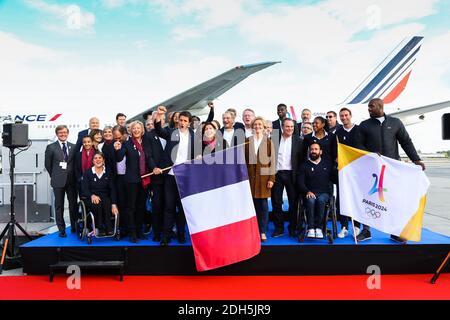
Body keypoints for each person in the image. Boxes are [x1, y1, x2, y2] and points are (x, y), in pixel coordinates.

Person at [355, 98, 425, 242]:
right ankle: (366, 230)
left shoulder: (395, 123)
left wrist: (416, 159)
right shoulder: (364, 125)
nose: (369, 109)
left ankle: (395, 231)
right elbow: (358, 145)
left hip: (392, 170)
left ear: (380, 106)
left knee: (393, 200)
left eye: (371, 107)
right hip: (371, 170)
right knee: (368, 199)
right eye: (368, 107)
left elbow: (406, 141)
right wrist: (370, 154)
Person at [154, 106, 201, 246]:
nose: (182, 122)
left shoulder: (194, 135)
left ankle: (181, 234)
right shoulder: (171, 131)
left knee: (182, 207)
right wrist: (158, 116)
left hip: (186, 176)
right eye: (180, 120)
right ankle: (166, 236)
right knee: (168, 206)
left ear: (189, 122)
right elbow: (159, 130)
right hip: (170, 174)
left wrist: (198, 155)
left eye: (185, 120)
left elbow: (197, 152)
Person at [114, 121, 151, 243]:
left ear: (142, 130)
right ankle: (132, 232)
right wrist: (117, 149)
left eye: (138, 128)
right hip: (131, 180)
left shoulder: (145, 142)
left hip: (144, 179)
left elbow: (149, 158)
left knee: (141, 206)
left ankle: (139, 231)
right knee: (131, 207)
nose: (136, 130)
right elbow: (119, 158)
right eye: (134, 128)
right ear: (131, 130)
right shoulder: (127, 143)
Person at [271, 119, 304, 238]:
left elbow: (301, 161)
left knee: (293, 202)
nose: (290, 128)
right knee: (276, 202)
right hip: (277, 174)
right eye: (287, 126)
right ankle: (279, 228)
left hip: (292, 175)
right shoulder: (274, 139)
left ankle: (293, 227)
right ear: (282, 127)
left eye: (292, 127)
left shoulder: (299, 141)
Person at [245, 117, 276, 242]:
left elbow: (272, 162)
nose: (257, 126)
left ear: (263, 127)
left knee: (263, 206)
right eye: (255, 124)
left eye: (260, 124)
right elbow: (243, 161)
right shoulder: (247, 141)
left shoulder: (269, 142)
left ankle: (262, 231)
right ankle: (252, 231)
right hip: (250, 179)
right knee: (251, 206)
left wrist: (271, 179)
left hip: (264, 180)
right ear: (252, 127)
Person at [44, 125, 77, 237]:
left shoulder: (74, 146)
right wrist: (55, 175)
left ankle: (74, 227)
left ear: (67, 133)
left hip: (72, 181)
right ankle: (61, 229)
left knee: (73, 205)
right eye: (60, 132)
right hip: (58, 181)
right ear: (57, 134)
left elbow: (75, 163)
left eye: (64, 132)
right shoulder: (51, 147)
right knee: (59, 205)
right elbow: (48, 165)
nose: (63, 134)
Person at [297, 142, 333, 239]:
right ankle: (311, 228)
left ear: (320, 152)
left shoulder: (327, 164)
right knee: (311, 200)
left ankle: (319, 228)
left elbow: (333, 178)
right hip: (309, 192)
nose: (313, 151)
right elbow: (300, 182)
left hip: (324, 193)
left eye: (316, 149)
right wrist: (307, 191)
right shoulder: (304, 165)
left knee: (321, 200)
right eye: (312, 149)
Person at [334, 108, 359, 238]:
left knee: (356, 197)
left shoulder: (359, 130)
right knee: (342, 198)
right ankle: (344, 226)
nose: (344, 118)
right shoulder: (337, 133)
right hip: (343, 171)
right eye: (341, 116)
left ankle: (357, 226)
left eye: (346, 115)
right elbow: (334, 152)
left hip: (357, 172)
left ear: (350, 115)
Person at [81, 152, 119, 236]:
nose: (98, 160)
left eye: (100, 158)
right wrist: (92, 195)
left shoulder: (108, 173)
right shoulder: (88, 173)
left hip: (105, 198)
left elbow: (112, 189)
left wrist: (114, 204)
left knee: (106, 202)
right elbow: (84, 189)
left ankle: (109, 228)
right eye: (95, 158)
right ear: (93, 161)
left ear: (103, 160)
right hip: (91, 198)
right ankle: (100, 228)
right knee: (97, 203)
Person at [144, 113, 167, 242]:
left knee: (169, 205)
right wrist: (153, 168)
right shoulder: (148, 135)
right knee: (157, 205)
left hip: (170, 176)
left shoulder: (171, 133)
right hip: (157, 176)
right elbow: (148, 155)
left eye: (160, 119)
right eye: (155, 120)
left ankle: (167, 231)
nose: (157, 122)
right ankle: (157, 232)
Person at [112, 125, 128, 235]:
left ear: (124, 134)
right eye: (115, 137)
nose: (117, 139)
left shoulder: (129, 143)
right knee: (121, 203)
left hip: (129, 176)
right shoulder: (111, 145)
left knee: (130, 204)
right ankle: (122, 228)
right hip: (117, 177)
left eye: (119, 137)